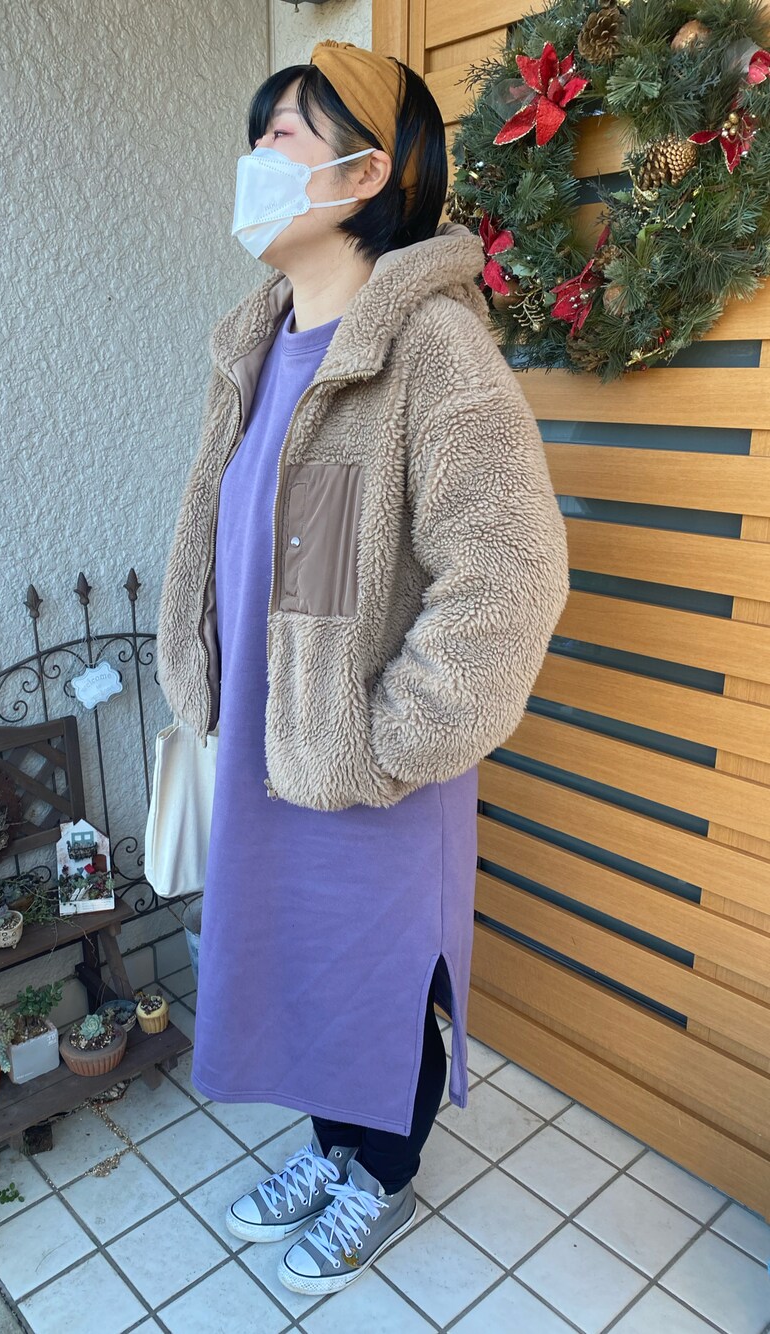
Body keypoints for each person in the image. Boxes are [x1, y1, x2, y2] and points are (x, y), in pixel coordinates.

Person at [156, 40, 569, 1296]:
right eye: (257, 133)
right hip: (269, 749)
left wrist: (389, 738)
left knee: (379, 977)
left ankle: (381, 1173)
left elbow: (510, 573)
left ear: (366, 170)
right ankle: (330, 1147)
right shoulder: (256, 347)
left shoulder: (432, 349)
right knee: (299, 963)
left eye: (281, 134)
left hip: (376, 771)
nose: (256, 158)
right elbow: (240, 546)